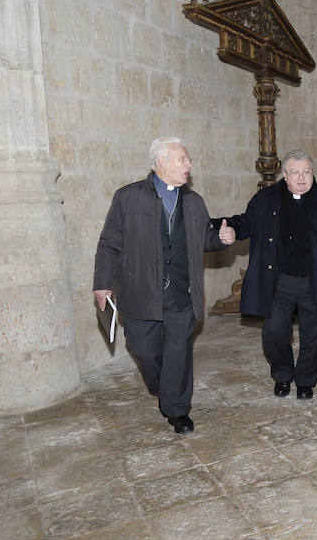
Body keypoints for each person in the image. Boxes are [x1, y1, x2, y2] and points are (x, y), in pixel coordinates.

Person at [93, 136, 235, 434]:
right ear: (160, 163)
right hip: (141, 292)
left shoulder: (194, 202)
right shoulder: (128, 198)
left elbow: (204, 239)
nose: (189, 165)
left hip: (182, 293)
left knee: (179, 352)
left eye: (188, 159)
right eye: (182, 159)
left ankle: (177, 410)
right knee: (144, 349)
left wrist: (219, 239)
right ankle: (162, 386)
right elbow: (109, 243)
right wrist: (102, 283)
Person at [221, 151, 317, 400]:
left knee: (314, 334)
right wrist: (232, 229)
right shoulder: (267, 198)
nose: (302, 178)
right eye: (295, 172)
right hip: (280, 281)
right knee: (274, 331)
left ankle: (305, 381)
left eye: (307, 172)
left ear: (313, 173)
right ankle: (282, 374)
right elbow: (246, 221)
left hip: (315, 279)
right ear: (285, 175)